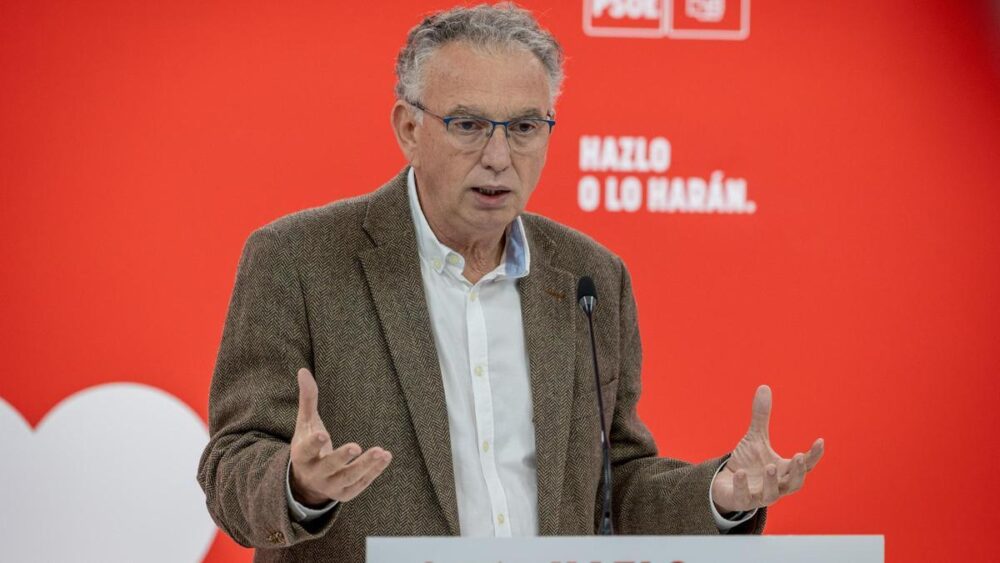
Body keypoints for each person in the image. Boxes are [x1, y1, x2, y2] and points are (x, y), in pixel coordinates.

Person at [197, 4, 824, 562]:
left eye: (524, 127)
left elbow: (615, 486)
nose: (499, 157)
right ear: (409, 128)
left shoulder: (591, 277)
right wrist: (296, 486)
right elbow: (230, 466)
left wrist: (718, 495)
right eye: (468, 125)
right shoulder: (298, 259)